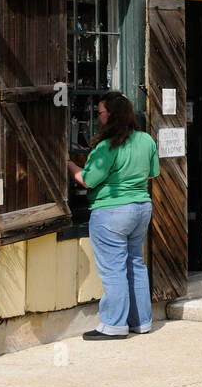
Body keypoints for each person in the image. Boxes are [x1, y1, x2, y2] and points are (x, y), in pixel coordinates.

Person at [67, 91, 159, 340]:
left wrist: (68, 163)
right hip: (141, 207)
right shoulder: (146, 140)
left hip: (111, 212)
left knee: (113, 268)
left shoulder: (106, 147)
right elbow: (152, 173)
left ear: (112, 115)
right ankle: (141, 322)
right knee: (135, 264)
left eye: (100, 113)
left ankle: (114, 325)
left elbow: (87, 180)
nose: (98, 117)